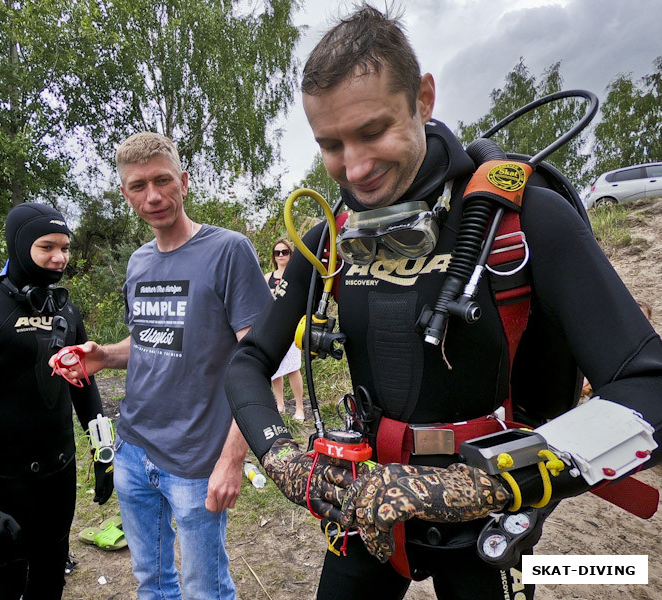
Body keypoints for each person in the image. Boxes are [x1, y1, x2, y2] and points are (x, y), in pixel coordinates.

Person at [225, 5, 662, 600]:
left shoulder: (522, 221)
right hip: (367, 510)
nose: (354, 167)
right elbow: (248, 361)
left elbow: (648, 385)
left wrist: (460, 492)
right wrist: (284, 462)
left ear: (423, 99)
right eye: (331, 144)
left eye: (373, 130)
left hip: (483, 519)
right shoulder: (331, 237)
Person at [50, 132, 271, 600]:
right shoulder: (139, 262)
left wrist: (234, 458)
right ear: (126, 193)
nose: (152, 196)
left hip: (196, 457)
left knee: (204, 590)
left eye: (162, 180)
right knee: (151, 583)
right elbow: (151, 340)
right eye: (137, 186)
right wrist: (105, 356)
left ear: (184, 182)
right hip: (132, 447)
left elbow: (258, 361)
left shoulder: (229, 251)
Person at [0, 202, 113, 599]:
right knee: (3, 582)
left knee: (51, 573)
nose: (59, 258)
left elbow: (82, 382)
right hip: (4, 480)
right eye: (46, 247)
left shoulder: (65, 309)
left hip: (59, 473)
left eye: (65, 248)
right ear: (19, 247)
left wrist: (104, 449)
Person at [265, 238, 306, 420]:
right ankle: (279, 404)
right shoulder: (268, 277)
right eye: (277, 252)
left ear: (291, 254)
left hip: (293, 326)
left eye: (285, 252)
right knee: (275, 368)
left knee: (293, 368)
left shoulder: (296, 274)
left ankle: (299, 407)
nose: (281, 255)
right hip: (273, 326)